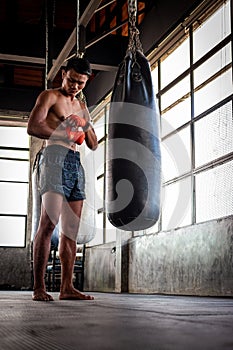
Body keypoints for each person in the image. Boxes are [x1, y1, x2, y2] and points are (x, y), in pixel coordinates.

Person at [27, 56, 98, 301]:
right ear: (63, 74)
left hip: (74, 163)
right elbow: (33, 126)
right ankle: (39, 288)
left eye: (81, 83)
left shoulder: (80, 105)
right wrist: (64, 131)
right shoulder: (50, 96)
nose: (76, 86)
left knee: (71, 230)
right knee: (48, 223)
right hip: (53, 157)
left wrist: (83, 122)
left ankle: (67, 288)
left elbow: (93, 144)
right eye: (72, 80)